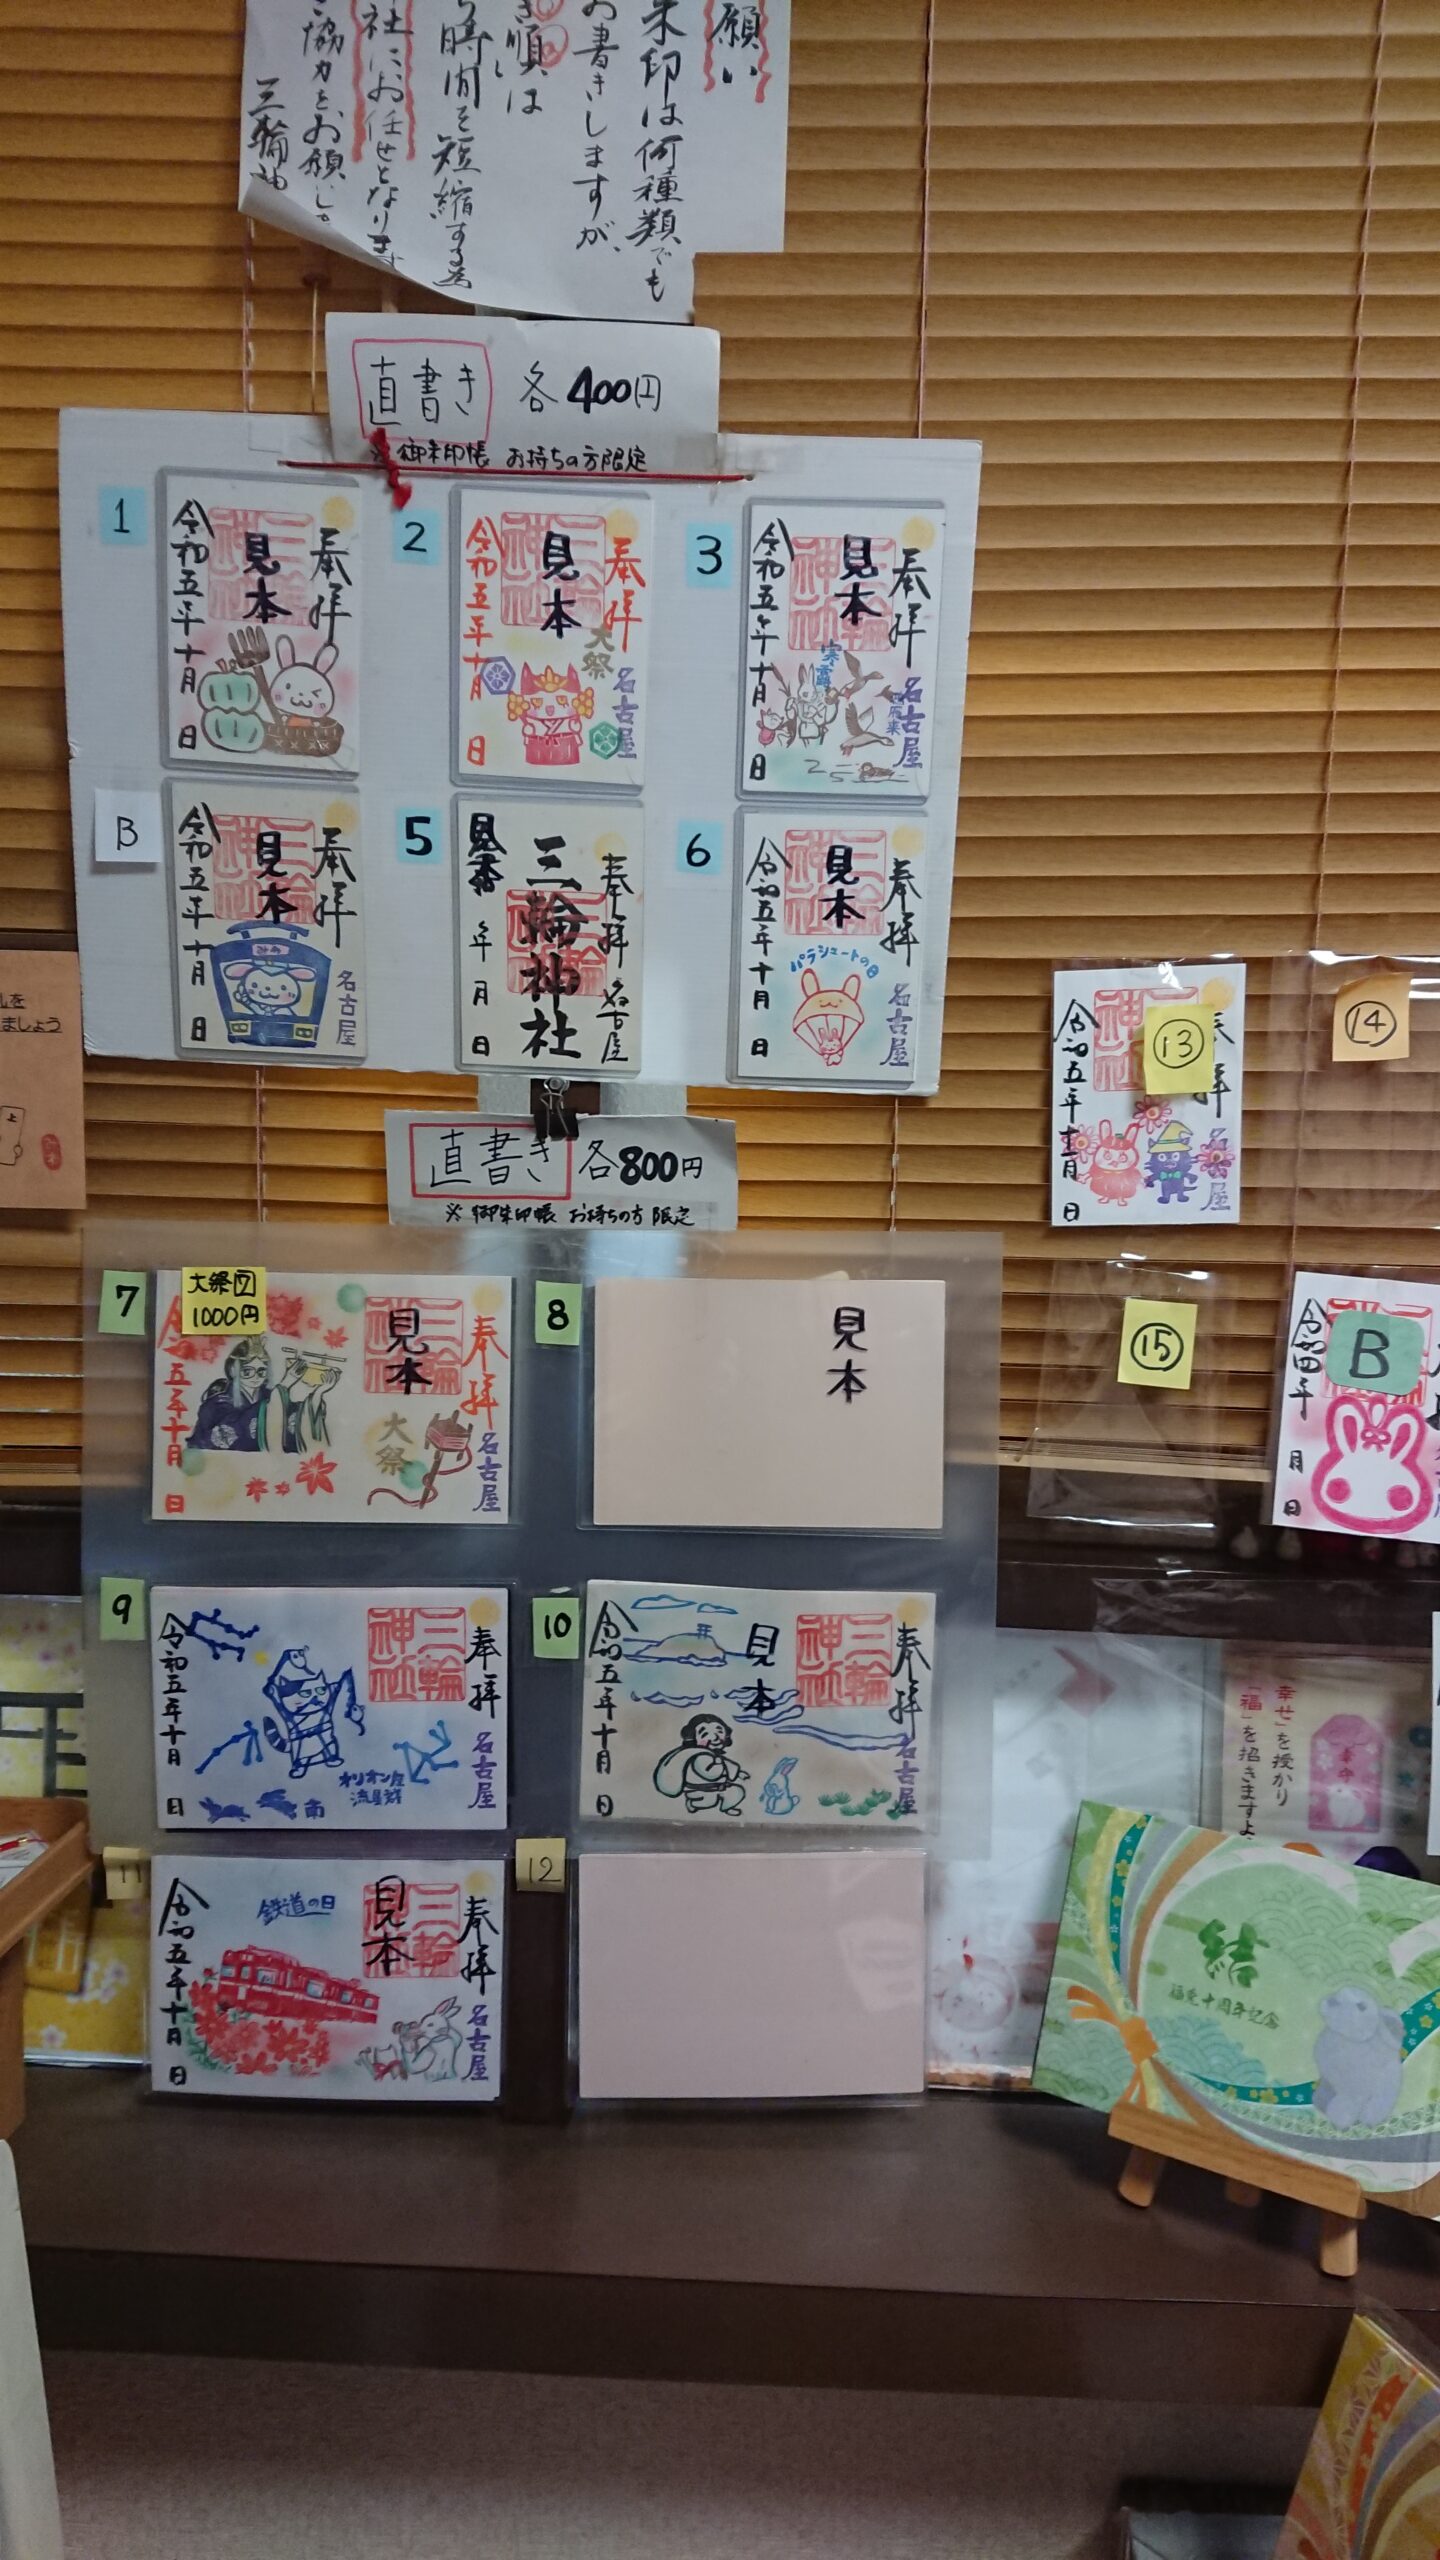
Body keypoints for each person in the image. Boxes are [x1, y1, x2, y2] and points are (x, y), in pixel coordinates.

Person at [652, 1714, 749, 1817]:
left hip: (720, 1788)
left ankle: (727, 1807)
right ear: (693, 1738)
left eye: (719, 1731)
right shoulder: (700, 1757)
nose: (714, 1737)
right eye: (705, 1734)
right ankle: (692, 1804)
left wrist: (738, 1773)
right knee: (709, 1801)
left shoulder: (715, 1756)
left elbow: (728, 1765)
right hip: (701, 1790)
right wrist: (719, 1765)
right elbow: (711, 1774)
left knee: (737, 1791)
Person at [187, 1339, 273, 1452]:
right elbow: (202, 1443)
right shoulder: (215, 1405)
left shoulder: (271, 1396)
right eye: (247, 1372)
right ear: (233, 1370)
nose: (255, 1377)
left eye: (261, 1372)